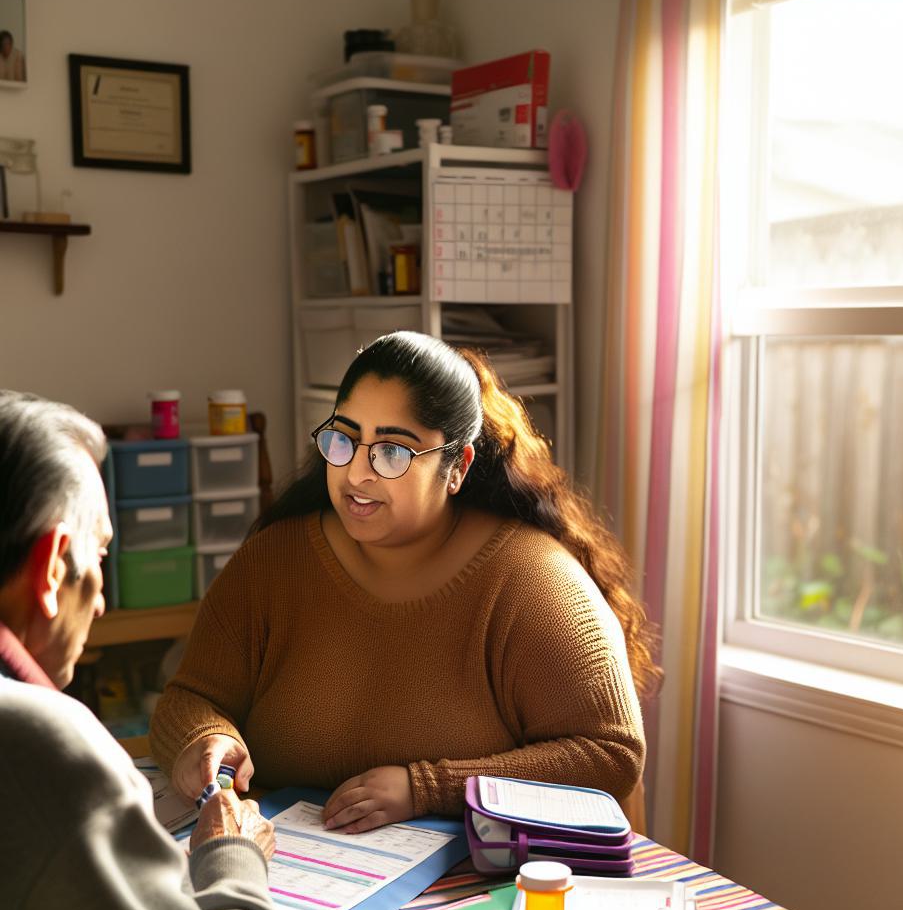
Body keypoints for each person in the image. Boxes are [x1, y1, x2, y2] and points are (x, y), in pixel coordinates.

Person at [151, 332, 660, 833]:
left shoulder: (532, 582)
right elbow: (191, 696)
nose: (356, 473)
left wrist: (430, 789)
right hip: (284, 876)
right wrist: (202, 738)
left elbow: (610, 755)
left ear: (456, 466)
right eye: (345, 439)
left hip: (462, 892)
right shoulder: (271, 561)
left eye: (392, 451)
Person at [0, 392, 288, 910]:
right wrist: (230, 861)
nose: (100, 601)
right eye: (100, 556)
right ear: (52, 570)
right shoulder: (40, 745)